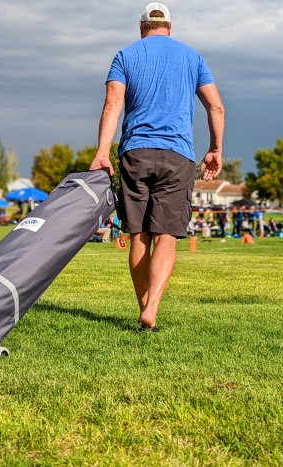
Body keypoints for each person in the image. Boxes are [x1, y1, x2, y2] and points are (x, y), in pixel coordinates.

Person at [89, 2, 224, 332]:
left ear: (141, 27)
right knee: (167, 236)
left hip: (135, 152)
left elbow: (112, 104)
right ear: (170, 28)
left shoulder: (125, 56)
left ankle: (143, 306)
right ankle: (152, 308)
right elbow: (216, 107)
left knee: (140, 235)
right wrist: (216, 149)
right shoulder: (193, 58)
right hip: (177, 156)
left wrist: (102, 152)